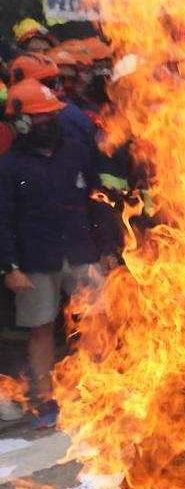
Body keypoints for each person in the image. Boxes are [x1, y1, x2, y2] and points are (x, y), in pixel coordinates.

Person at [0, 80, 118, 428]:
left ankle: (101, 389)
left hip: (81, 251)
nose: (50, 122)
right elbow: (2, 220)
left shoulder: (77, 152)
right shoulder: (9, 166)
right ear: (22, 123)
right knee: (41, 328)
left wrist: (107, 246)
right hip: (36, 260)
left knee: (97, 319)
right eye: (42, 117)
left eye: (52, 115)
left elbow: (98, 201)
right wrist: (10, 266)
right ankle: (45, 400)